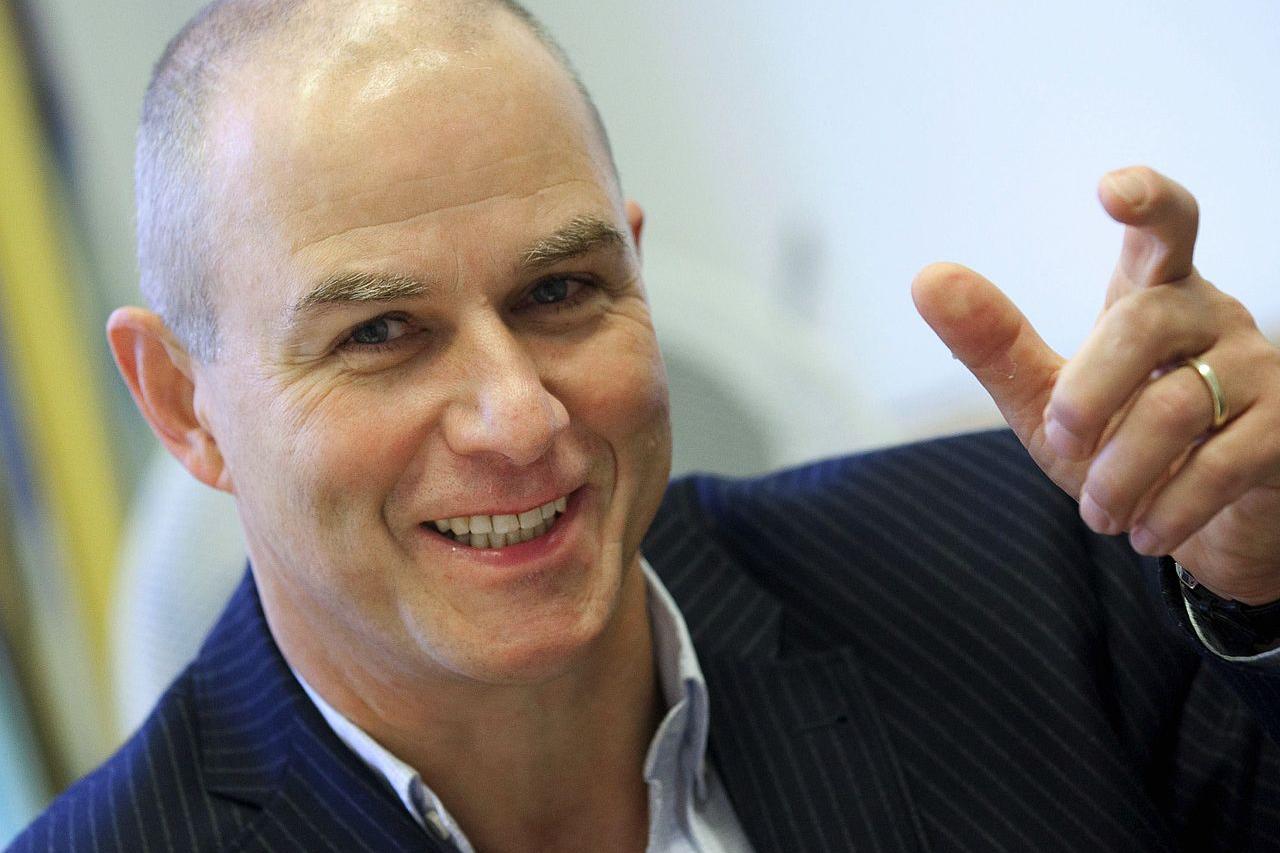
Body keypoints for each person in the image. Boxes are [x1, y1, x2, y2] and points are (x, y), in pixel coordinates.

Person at [9, 1, 1280, 851]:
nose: (518, 417)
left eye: (559, 291)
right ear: (181, 401)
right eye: (380, 332)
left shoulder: (1040, 574)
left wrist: (1264, 584)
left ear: (633, 267)